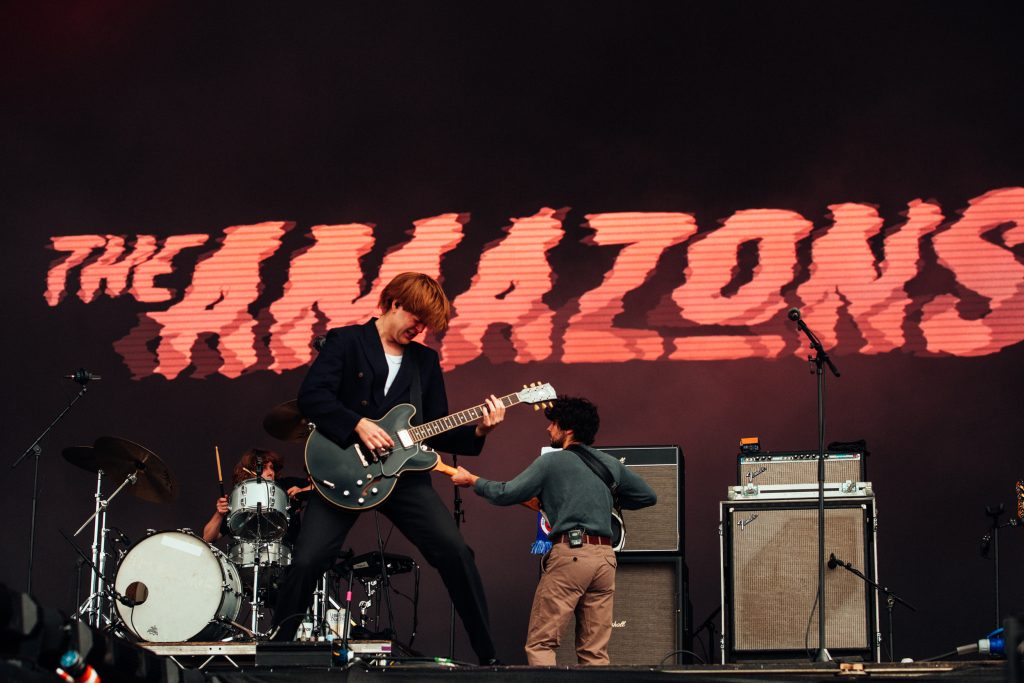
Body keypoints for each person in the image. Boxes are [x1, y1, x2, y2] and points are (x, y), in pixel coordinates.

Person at [270, 272, 505, 664]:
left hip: (404, 477)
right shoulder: (346, 342)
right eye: (417, 318)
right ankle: (276, 654)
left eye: (427, 324)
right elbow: (312, 397)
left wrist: (479, 429)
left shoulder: (424, 361)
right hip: (344, 471)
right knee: (308, 559)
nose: (420, 329)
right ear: (395, 303)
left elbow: (435, 427)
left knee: (456, 553)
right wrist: (356, 424)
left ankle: (489, 657)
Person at [451, 396, 657, 666]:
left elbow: (507, 493)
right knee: (594, 652)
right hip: (605, 559)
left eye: (553, 424)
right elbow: (648, 496)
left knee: (541, 643)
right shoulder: (610, 464)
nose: (549, 429)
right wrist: (609, 500)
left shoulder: (552, 462)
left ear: (567, 430)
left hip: (571, 555)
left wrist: (473, 481)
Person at [202, 448, 310, 544]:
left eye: (271, 468)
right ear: (250, 471)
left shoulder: (286, 485)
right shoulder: (241, 502)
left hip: (291, 557)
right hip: (250, 560)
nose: (270, 473)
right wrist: (219, 514)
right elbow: (207, 538)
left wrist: (302, 490)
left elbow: (320, 487)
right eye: (264, 468)